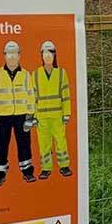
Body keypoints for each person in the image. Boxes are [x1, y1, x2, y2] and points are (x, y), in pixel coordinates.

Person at [0, 40, 37, 186]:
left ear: (19, 55)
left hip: (21, 116)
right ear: (4, 56)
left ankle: (28, 172)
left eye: (14, 53)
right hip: (3, 117)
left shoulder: (26, 75)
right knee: (1, 145)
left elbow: (30, 96)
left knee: (24, 144)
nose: (11, 57)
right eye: (9, 54)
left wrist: (29, 117)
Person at [32, 39, 72, 179]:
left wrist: (66, 114)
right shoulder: (35, 74)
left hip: (57, 115)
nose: (48, 56)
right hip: (42, 117)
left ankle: (64, 166)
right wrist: (33, 116)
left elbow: (66, 95)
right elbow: (33, 97)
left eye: (50, 53)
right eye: (45, 53)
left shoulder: (61, 73)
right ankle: (46, 169)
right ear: (41, 55)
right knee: (44, 144)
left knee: (60, 141)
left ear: (55, 55)